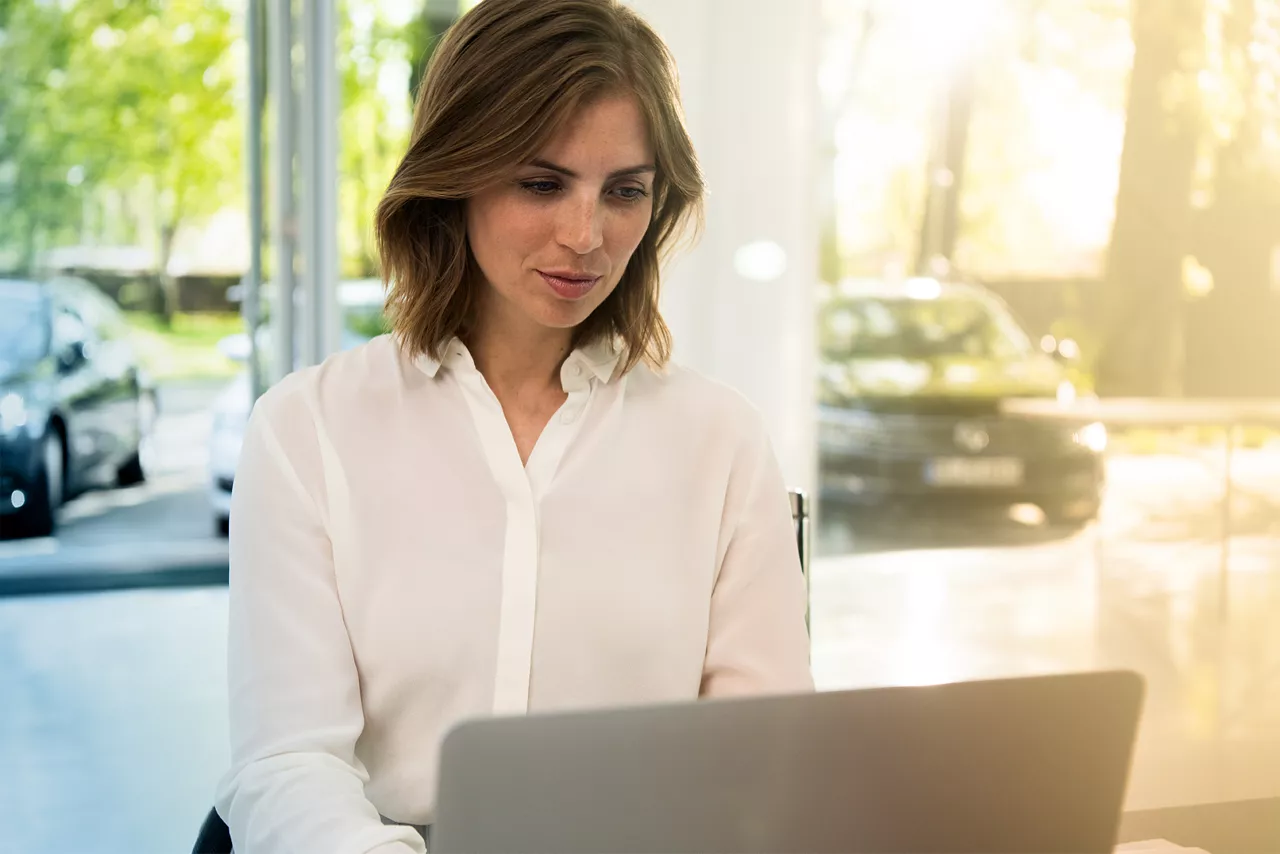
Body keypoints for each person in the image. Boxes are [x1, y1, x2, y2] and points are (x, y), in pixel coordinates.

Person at [214, 0, 813, 850]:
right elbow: (286, 760)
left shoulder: (720, 442)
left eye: (625, 192)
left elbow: (766, 757)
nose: (586, 235)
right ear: (457, 173)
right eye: (541, 183)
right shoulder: (307, 432)